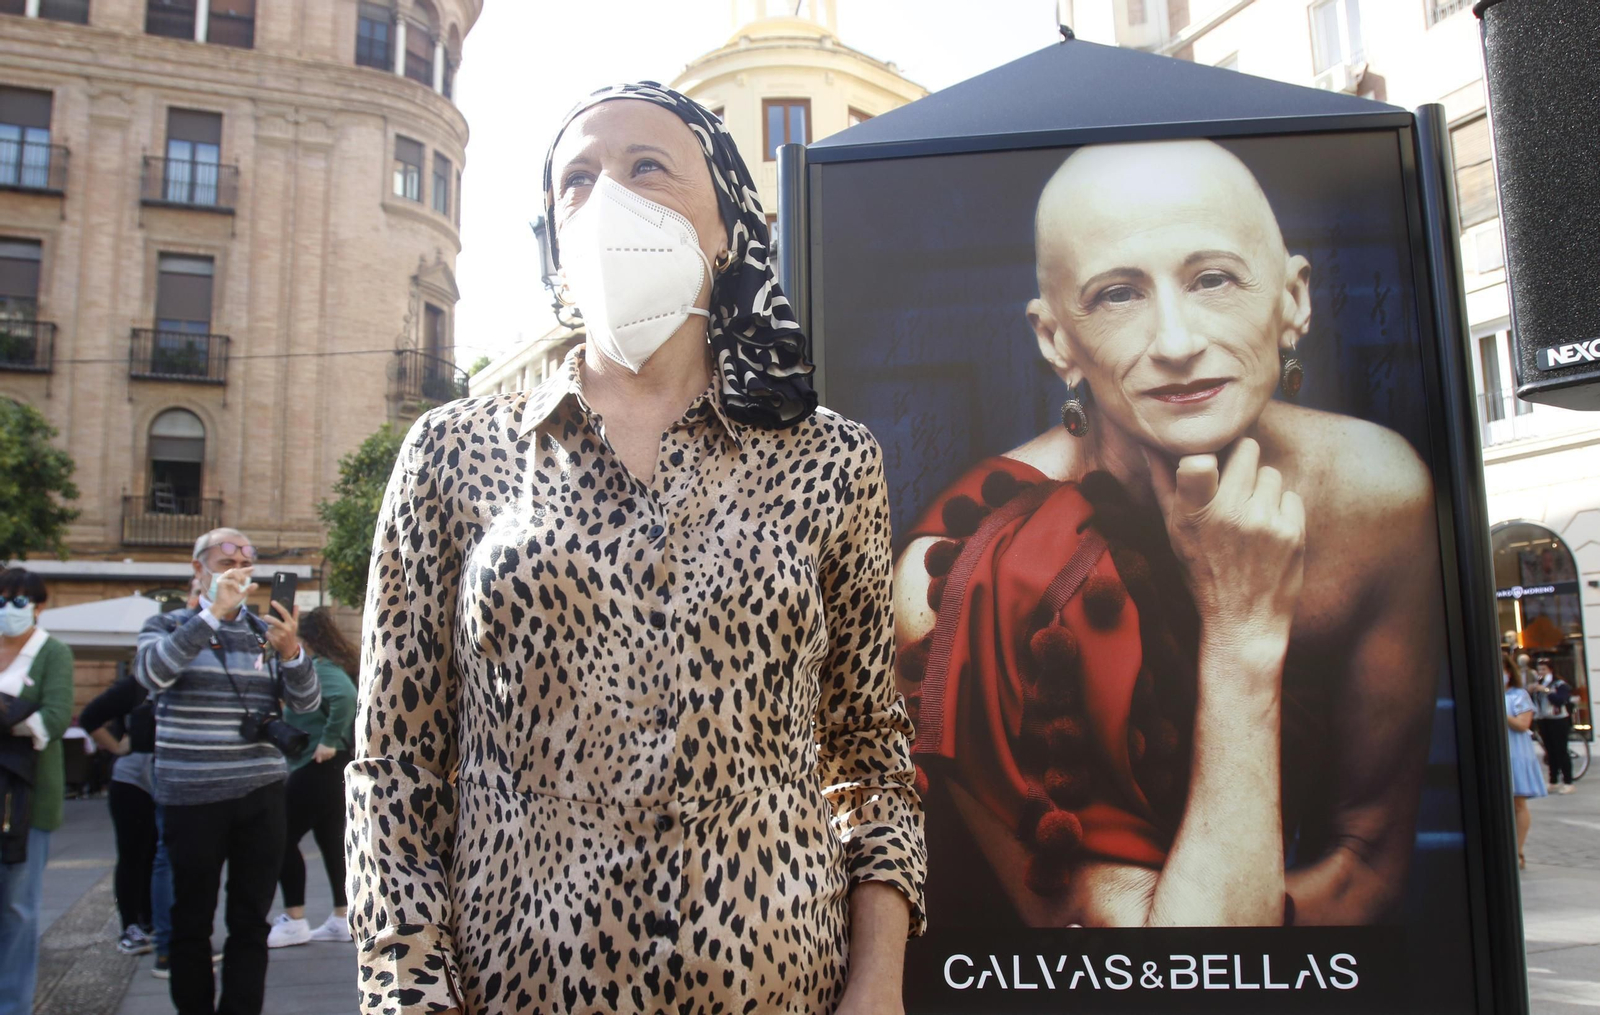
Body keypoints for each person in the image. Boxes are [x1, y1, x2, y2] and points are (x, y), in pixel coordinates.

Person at [347, 82, 926, 1015]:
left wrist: (878, 979)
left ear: (729, 225)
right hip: (521, 988)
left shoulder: (833, 459)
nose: (605, 197)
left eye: (645, 166)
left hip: (780, 985)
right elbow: (394, 765)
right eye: (575, 179)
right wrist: (405, 989)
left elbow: (867, 752)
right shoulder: (451, 453)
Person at [894, 139, 1441, 928]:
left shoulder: (1375, 493)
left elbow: (1366, 863)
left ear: (1293, 300)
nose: (1177, 341)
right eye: (1118, 295)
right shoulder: (965, 571)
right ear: (1056, 341)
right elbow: (1166, 970)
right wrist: (1242, 632)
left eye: (1213, 279)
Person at [134, 530, 319, 1015]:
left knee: (250, 921)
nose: (238, 565)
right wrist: (210, 616)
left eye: (246, 559)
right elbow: (151, 674)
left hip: (259, 794)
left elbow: (307, 705)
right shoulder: (167, 624)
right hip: (192, 795)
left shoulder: (265, 631)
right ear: (199, 569)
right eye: (225, 559)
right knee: (191, 920)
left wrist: (292, 654)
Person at [0, 568, 74, 1015]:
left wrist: (9, 717)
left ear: (39, 606)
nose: (9, 610)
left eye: (19, 602)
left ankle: (12, 1004)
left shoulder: (52, 653)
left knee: (17, 907)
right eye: (2, 601)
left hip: (25, 796)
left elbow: (56, 716)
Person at [266, 607, 356, 948]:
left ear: (302, 639)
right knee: (332, 843)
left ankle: (295, 918)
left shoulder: (320, 667)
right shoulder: (325, 666)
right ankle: (341, 916)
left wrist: (329, 741)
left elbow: (344, 698)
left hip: (318, 765)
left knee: (281, 837)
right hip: (327, 768)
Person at [78, 668, 159, 955]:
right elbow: (89, 717)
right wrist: (117, 746)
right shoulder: (137, 686)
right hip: (134, 780)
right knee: (133, 854)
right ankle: (130, 925)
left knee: (160, 855)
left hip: (175, 778)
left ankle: (154, 920)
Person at [1504, 654, 1545, 868]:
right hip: (1499, 753)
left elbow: (1523, 724)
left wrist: (1501, 711)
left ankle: (1518, 851)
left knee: (1518, 802)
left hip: (1517, 753)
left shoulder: (1518, 695)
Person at [1529, 658, 1575, 793]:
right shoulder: (1538, 683)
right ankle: (1553, 780)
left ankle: (1568, 782)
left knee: (1561, 750)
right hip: (1543, 719)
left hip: (1558, 720)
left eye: (1544, 669)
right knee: (1550, 751)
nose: (1541, 672)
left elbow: (1560, 701)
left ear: (1550, 670)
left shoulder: (1560, 684)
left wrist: (1547, 690)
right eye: (1539, 669)